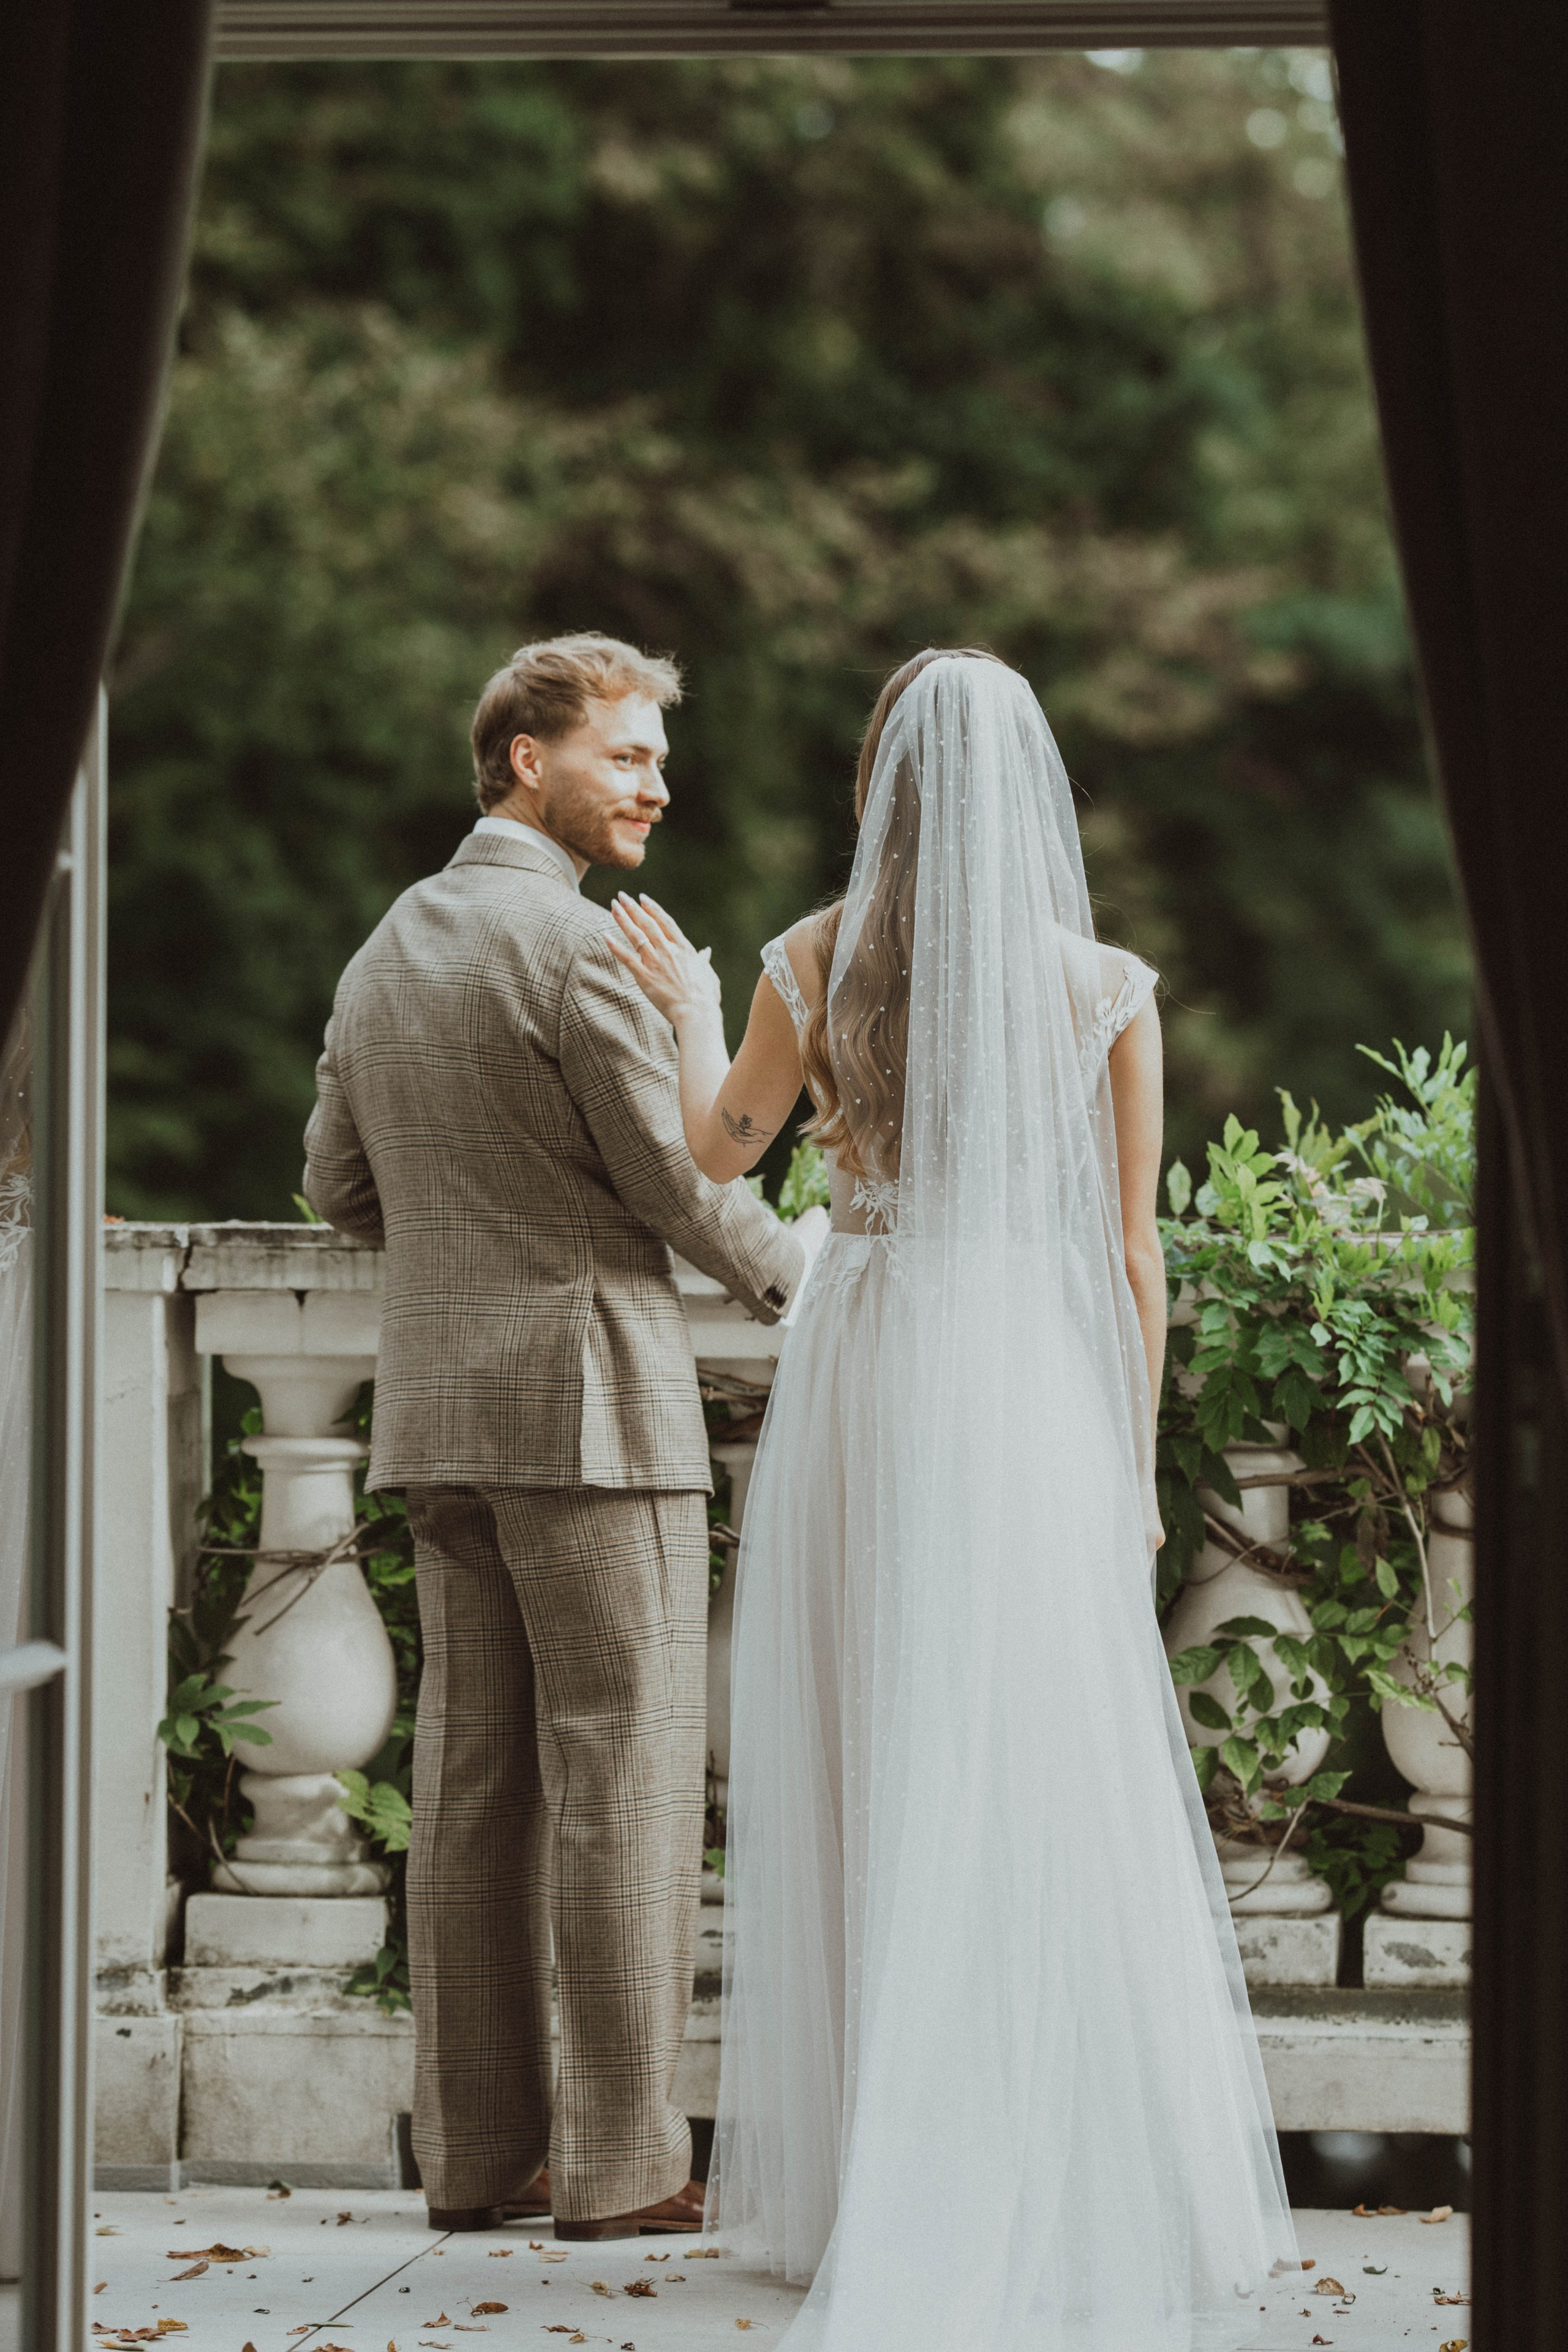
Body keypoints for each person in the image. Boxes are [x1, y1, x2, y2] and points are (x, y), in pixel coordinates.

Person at [608, 649, 1298, 2348]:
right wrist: (1129, 1475)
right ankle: (1040, 2157)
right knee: (1021, 1752)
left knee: (871, 1748)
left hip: (872, 1351)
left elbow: (721, 1152)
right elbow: (1135, 1259)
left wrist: (694, 1012)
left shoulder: (815, 957)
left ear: (883, 783)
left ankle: (863, 2180)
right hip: (1023, 1378)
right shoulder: (1101, 984)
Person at [304, 633, 819, 2241]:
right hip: (595, 1411)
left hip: (442, 1416)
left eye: (663, 758)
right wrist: (814, 1284)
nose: (660, 782)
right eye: (629, 754)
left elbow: (337, 1187)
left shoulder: (387, 950)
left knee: (473, 1787)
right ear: (528, 758)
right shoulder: (580, 948)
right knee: (628, 1777)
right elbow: (678, 1186)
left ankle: (475, 2161)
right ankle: (619, 2168)